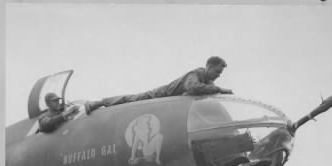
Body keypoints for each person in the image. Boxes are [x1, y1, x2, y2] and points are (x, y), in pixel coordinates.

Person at [85, 56, 233, 114]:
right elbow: (193, 88)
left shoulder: (208, 82)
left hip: (171, 103)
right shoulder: (195, 74)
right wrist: (220, 89)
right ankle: (98, 103)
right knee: (133, 99)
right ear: (209, 67)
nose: (219, 75)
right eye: (217, 71)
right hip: (161, 95)